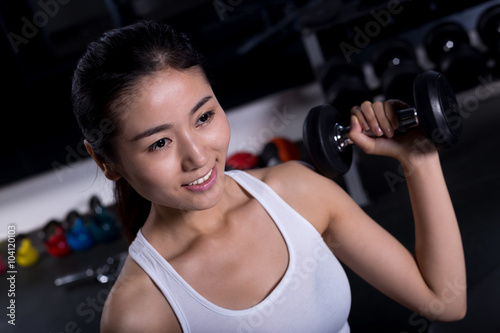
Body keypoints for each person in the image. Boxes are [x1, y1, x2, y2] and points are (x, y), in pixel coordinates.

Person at [71, 20, 466, 333]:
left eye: (204, 117)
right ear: (105, 162)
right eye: (159, 143)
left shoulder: (297, 192)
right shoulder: (140, 313)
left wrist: (418, 158)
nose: (197, 156)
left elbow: (443, 301)